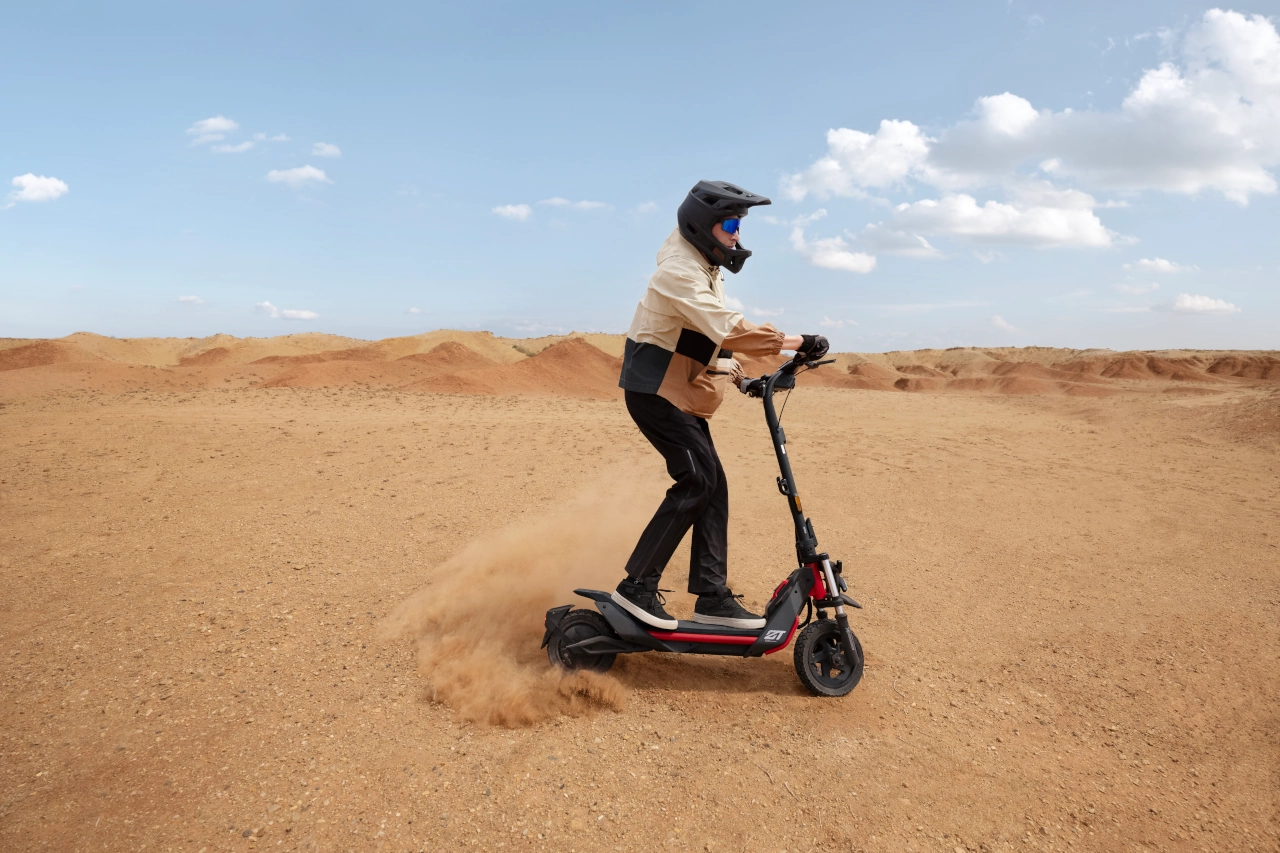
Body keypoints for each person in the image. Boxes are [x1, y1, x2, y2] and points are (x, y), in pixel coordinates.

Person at [614, 180, 829, 630]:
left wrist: (741, 378)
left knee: (714, 485)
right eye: (731, 225)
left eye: (739, 225)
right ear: (701, 224)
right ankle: (636, 587)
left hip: (680, 392)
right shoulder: (679, 271)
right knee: (697, 479)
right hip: (656, 392)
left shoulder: (703, 267)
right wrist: (798, 342)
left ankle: (711, 597)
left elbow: (701, 339)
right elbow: (727, 329)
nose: (737, 234)